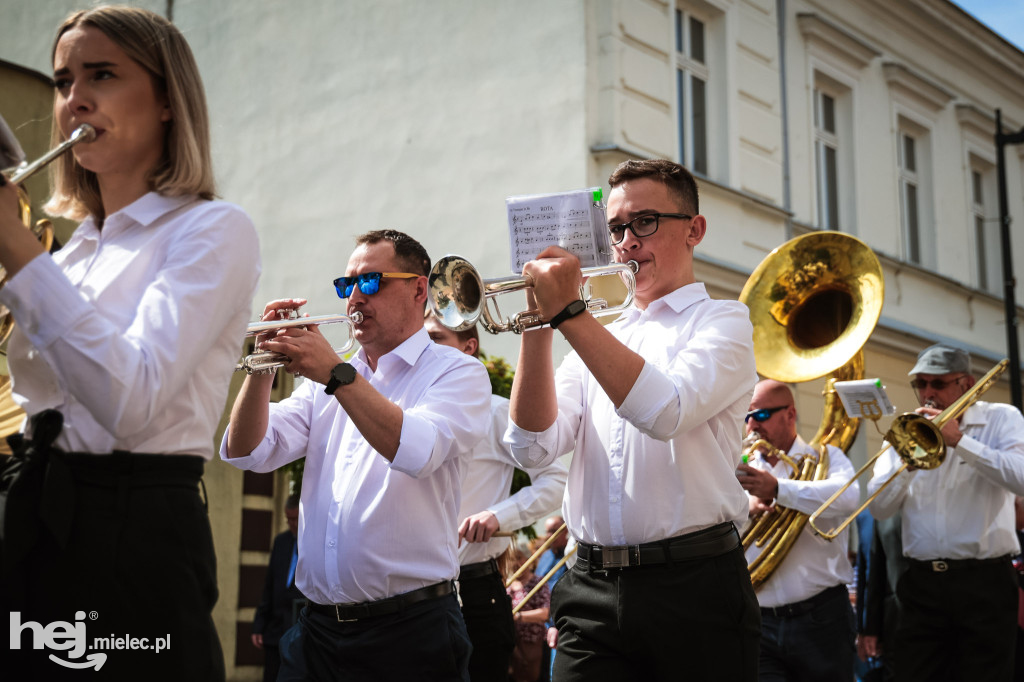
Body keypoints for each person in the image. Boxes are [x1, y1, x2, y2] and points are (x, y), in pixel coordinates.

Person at [0, 6, 260, 679]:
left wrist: (15, 249)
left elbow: (131, 397)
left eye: (103, 74)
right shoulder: (70, 252)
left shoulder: (212, 230)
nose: (73, 99)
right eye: (62, 81)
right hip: (36, 512)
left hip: (135, 528)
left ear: (169, 99)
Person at [506, 158, 761, 681]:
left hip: (694, 586)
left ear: (694, 230)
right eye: (615, 228)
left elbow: (664, 411)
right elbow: (532, 449)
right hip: (589, 588)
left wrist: (570, 314)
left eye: (644, 222)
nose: (626, 241)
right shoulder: (596, 336)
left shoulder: (724, 322)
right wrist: (537, 323)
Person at [222, 229, 491, 682]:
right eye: (346, 286)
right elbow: (247, 451)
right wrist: (262, 367)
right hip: (316, 632)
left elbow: (417, 450)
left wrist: (334, 373)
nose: (354, 299)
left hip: (411, 632)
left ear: (418, 289)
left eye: (370, 283)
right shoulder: (325, 383)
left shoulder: (457, 371)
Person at [423, 314, 567, 682]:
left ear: (469, 347)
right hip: (412, 593)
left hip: (473, 591)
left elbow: (556, 480)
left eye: (436, 338)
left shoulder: (498, 411)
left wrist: (498, 516)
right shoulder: (411, 412)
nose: (424, 347)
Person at [868, 343, 1024, 682]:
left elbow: (1021, 478)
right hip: (921, 584)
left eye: (937, 384)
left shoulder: (1002, 418)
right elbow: (879, 509)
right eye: (920, 384)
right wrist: (909, 461)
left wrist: (960, 442)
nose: (927, 393)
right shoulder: (905, 431)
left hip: (984, 581)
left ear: (965, 385)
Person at [738, 379, 860, 681]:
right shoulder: (736, 468)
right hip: (759, 619)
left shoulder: (826, 457)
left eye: (761, 415)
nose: (752, 424)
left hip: (822, 618)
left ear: (790, 414)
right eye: (746, 416)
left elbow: (848, 497)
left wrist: (779, 488)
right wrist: (745, 508)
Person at [252, 494, 306, 682]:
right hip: (275, 630)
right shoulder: (281, 542)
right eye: (288, 519)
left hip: (300, 629)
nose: (292, 524)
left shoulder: (313, 543)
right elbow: (269, 585)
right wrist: (259, 625)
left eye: (295, 519)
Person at [506, 547, 552, 682]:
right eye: (511, 559)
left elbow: (545, 613)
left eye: (518, 557)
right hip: (514, 646)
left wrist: (518, 616)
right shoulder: (507, 586)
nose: (515, 562)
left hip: (534, 643)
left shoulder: (538, 583)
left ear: (528, 559)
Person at [534, 514, 568, 682]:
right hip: (541, 626)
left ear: (566, 531)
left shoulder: (572, 555)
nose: (548, 536)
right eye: (547, 531)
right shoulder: (545, 555)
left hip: (560, 624)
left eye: (553, 531)